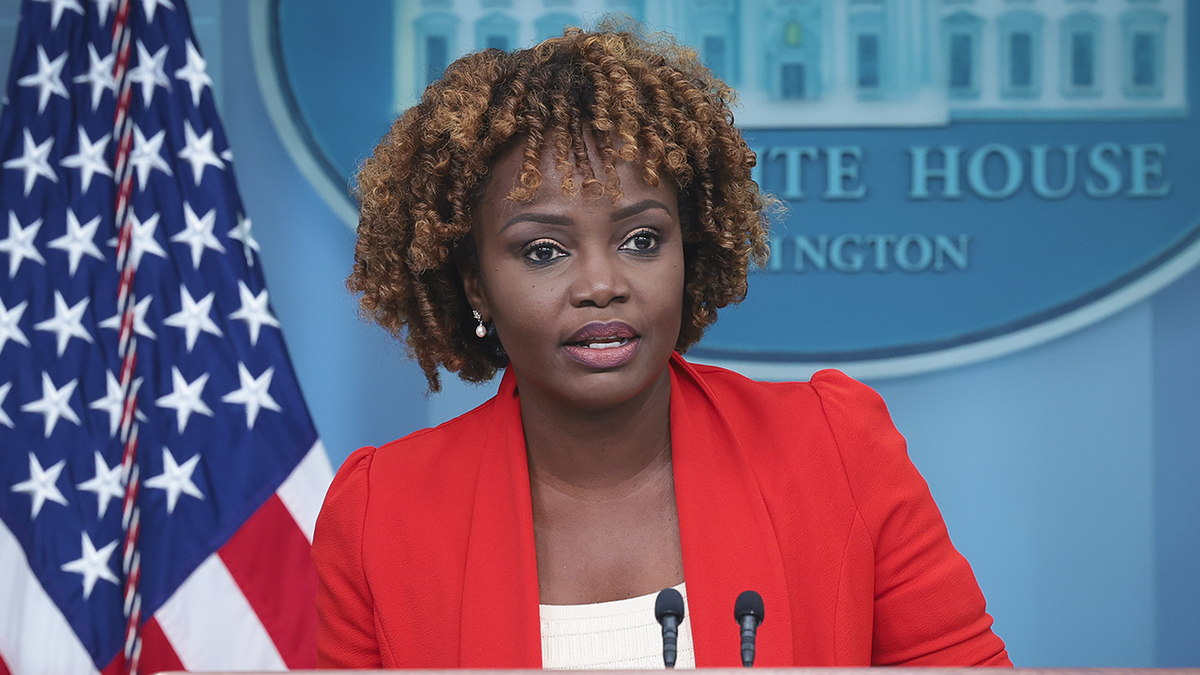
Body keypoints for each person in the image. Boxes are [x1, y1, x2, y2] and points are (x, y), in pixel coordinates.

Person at [314, 23, 1011, 669]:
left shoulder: (834, 450)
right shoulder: (383, 512)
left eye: (641, 239)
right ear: (475, 283)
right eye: (544, 250)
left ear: (689, 247)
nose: (601, 283)